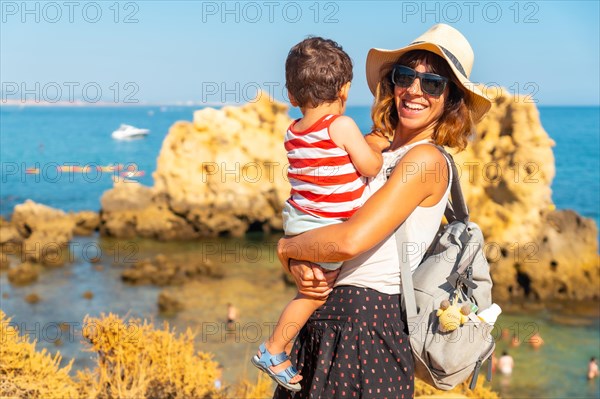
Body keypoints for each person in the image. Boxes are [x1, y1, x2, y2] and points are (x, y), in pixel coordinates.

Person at [275, 23, 491, 398]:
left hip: (366, 326)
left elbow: (349, 241)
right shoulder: (376, 149)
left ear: (451, 99)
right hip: (327, 320)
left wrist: (285, 250)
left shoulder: (425, 160)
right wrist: (297, 265)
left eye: (433, 83)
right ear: (392, 82)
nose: (414, 90)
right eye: (406, 76)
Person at [252, 36, 385, 392]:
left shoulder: (293, 132)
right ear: (344, 89)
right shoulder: (339, 126)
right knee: (314, 294)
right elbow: (370, 165)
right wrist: (380, 147)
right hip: (324, 227)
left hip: (299, 220)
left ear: (292, 97)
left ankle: (279, 347)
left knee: (308, 286)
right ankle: (274, 348)